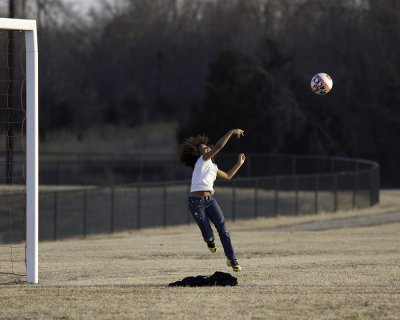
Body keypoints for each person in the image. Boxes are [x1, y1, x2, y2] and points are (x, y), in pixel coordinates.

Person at [180, 129, 246, 272]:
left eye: (207, 146)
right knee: (208, 235)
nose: (207, 147)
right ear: (198, 153)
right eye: (203, 147)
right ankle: (209, 241)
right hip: (196, 202)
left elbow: (228, 176)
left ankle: (232, 259)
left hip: (210, 200)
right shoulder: (201, 161)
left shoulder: (213, 167)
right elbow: (219, 147)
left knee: (223, 229)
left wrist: (239, 163)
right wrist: (231, 132)